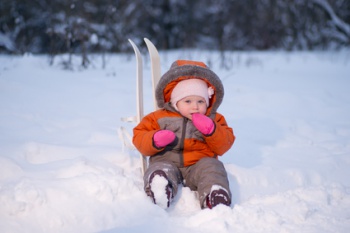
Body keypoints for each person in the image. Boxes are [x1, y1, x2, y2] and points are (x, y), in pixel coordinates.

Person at [133, 60, 235, 209]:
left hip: (198, 164)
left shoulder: (214, 119)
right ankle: (161, 189)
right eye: (188, 101)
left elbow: (224, 145)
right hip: (167, 161)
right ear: (175, 102)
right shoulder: (159, 117)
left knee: (213, 168)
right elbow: (139, 137)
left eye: (201, 101)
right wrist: (155, 139)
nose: (195, 106)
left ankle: (215, 195)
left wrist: (212, 130)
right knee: (159, 169)